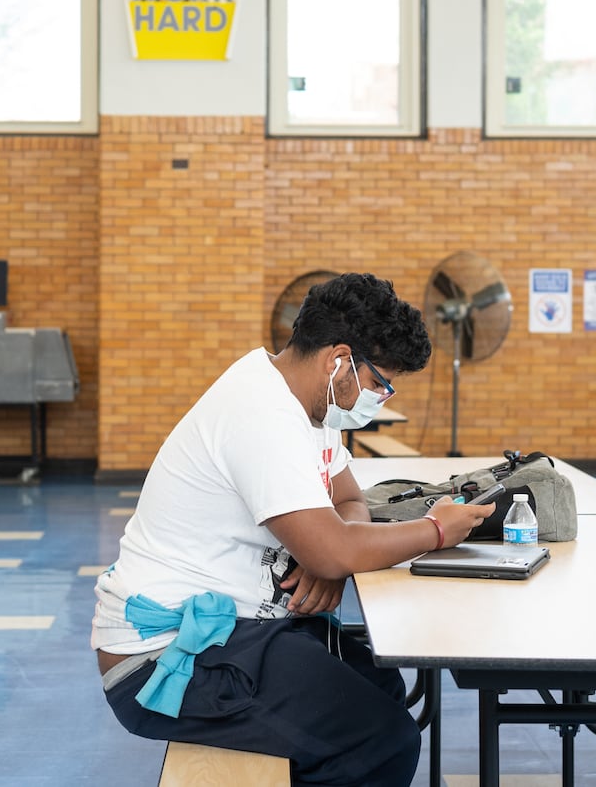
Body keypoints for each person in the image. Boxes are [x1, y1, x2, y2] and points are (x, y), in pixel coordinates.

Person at [90, 273, 494, 786]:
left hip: (237, 628)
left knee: (381, 687)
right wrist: (435, 530)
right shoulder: (260, 414)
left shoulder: (311, 408)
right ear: (338, 360)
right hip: (168, 656)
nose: (382, 398)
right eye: (378, 384)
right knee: (382, 740)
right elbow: (335, 546)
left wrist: (329, 556)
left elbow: (347, 501)